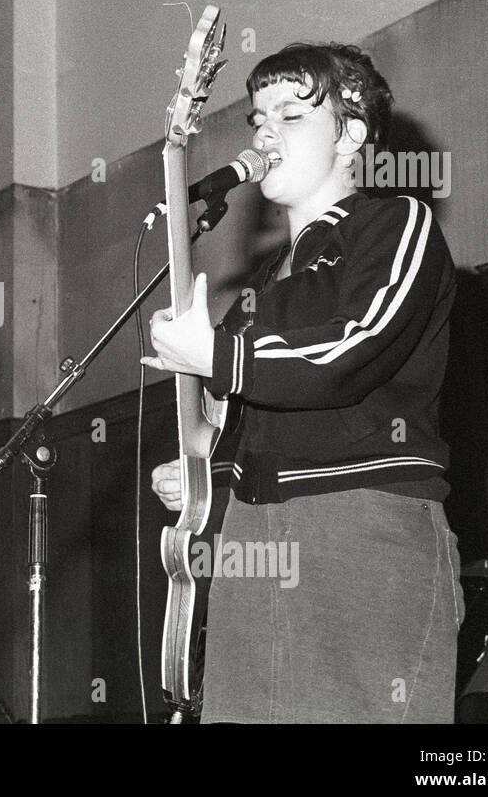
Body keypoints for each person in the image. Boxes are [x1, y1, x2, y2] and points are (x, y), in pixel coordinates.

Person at [143, 43, 463, 723]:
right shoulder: (256, 289)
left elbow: (354, 346)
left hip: (361, 531)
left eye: (291, 113)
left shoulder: (396, 223)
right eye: (259, 117)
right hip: (253, 549)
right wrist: (202, 472)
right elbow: (232, 426)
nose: (264, 132)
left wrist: (220, 357)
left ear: (352, 135)